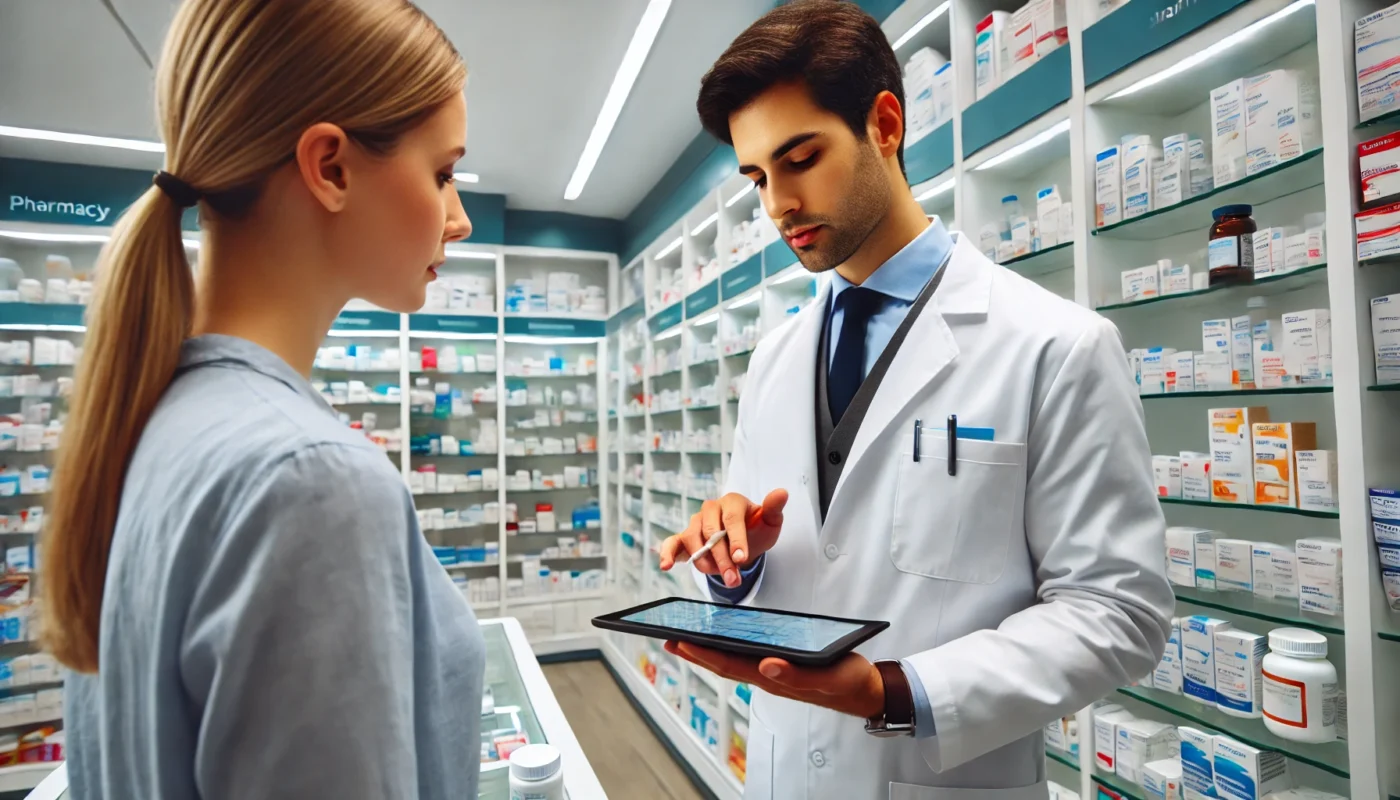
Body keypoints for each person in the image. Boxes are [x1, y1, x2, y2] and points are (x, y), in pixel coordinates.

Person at [658, 2, 1174, 798]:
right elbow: (784, 569)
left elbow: (1117, 613)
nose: (777, 206)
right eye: (759, 177)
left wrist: (893, 691)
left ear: (886, 124)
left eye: (801, 158)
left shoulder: (1054, 344)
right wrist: (730, 566)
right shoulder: (773, 358)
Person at [41, 2, 484, 797]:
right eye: (443, 173)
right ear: (332, 167)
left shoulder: (152, 419)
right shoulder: (310, 480)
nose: (459, 218)